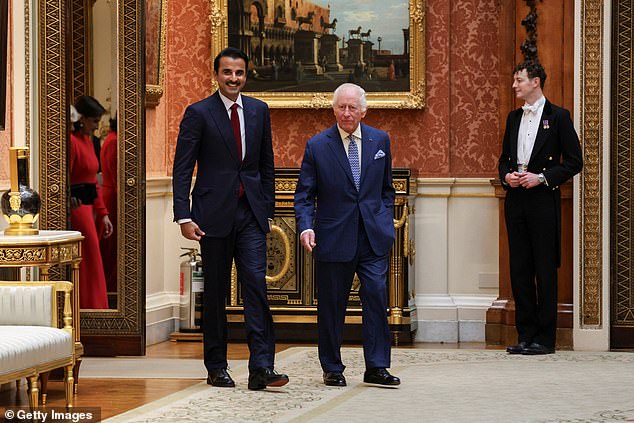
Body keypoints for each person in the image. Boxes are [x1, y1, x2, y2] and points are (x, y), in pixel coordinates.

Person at [172, 47, 289, 390]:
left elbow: (266, 165)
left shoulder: (259, 111)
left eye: (239, 73)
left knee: (255, 287)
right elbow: (182, 168)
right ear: (216, 74)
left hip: (250, 214)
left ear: (245, 75)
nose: (233, 78)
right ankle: (217, 366)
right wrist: (183, 215)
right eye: (227, 72)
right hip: (211, 216)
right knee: (217, 292)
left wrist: (266, 210)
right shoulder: (198, 113)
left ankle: (262, 368)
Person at [294, 83, 400, 387]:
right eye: (341, 107)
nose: (346, 113)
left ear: (363, 111)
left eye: (352, 107)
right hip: (333, 236)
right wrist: (306, 226)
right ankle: (332, 367)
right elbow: (304, 195)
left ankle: (377, 367)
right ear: (333, 109)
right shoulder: (317, 145)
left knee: (377, 299)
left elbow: (386, 189)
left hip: (372, 236)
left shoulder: (381, 140)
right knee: (331, 305)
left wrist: (383, 216)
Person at [498, 61, 583, 355]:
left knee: (544, 269)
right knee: (520, 268)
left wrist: (542, 178)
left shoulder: (558, 117)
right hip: (516, 200)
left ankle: (545, 339)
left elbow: (574, 162)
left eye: (519, 80)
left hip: (543, 200)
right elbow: (504, 160)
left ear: (535, 82)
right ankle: (525, 335)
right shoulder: (513, 118)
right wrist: (507, 176)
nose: (514, 85)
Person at [70, 95, 113, 309]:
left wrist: (103, 214)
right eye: (94, 121)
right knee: (88, 262)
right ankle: (87, 308)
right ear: (82, 118)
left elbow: (94, 182)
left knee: (94, 262)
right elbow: (62, 178)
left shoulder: (89, 141)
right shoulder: (71, 142)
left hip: (90, 210)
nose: (97, 126)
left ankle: (97, 308)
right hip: (77, 210)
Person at [100, 116, 118, 293]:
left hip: (110, 192)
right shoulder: (114, 141)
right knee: (112, 247)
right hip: (113, 195)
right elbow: (115, 172)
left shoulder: (112, 138)